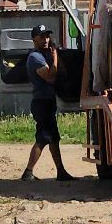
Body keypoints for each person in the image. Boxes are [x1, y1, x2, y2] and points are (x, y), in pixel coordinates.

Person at [21, 25, 74, 181]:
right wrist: (55, 56)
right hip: (41, 103)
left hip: (48, 101)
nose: (45, 40)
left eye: (47, 37)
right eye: (42, 37)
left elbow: (61, 73)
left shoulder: (45, 56)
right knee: (44, 138)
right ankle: (28, 172)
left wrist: (55, 57)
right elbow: (50, 77)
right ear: (34, 39)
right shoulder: (35, 57)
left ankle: (61, 171)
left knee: (54, 138)